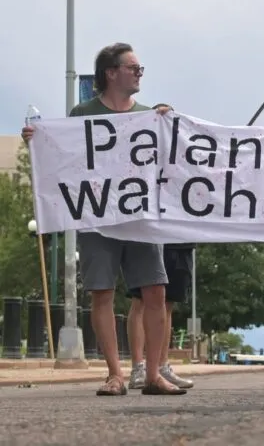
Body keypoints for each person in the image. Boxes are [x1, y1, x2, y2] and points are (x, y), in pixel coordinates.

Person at [22, 43, 182, 396]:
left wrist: (171, 126)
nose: (140, 73)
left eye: (141, 69)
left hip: (141, 219)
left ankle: (153, 373)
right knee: (102, 293)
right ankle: (115, 374)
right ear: (111, 73)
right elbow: (63, 156)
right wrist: (37, 142)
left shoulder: (150, 116)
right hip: (97, 218)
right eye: (133, 68)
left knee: (156, 291)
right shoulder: (83, 113)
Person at [125, 243, 196, 391]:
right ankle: (138, 368)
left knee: (168, 303)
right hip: (150, 240)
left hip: (181, 241)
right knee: (141, 300)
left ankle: (162, 366)